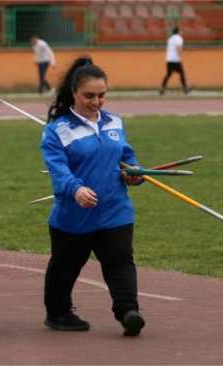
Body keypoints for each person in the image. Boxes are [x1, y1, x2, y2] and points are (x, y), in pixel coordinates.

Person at [40, 56, 146, 337]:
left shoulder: (114, 123)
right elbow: (58, 170)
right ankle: (58, 312)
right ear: (74, 92)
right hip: (73, 216)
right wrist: (76, 189)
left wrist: (133, 173)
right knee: (64, 268)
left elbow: (126, 156)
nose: (97, 102)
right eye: (89, 96)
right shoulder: (56, 131)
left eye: (102, 95)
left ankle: (128, 312)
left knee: (120, 261)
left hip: (115, 210)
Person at [160, 27, 189, 95]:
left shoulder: (170, 39)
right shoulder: (179, 38)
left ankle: (162, 89)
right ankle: (185, 89)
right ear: (178, 32)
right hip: (176, 60)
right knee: (182, 74)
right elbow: (178, 48)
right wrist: (179, 55)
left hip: (169, 60)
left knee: (168, 75)